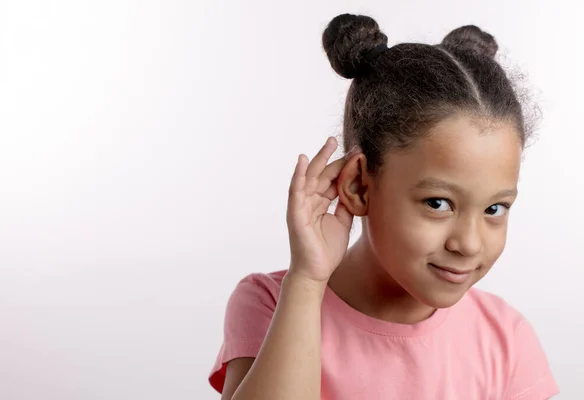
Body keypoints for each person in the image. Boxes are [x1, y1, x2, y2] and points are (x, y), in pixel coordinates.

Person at [208, 13, 559, 400]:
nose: (470, 244)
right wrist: (307, 283)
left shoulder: (506, 340)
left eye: (495, 209)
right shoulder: (272, 304)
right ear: (360, 184)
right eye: (438, 203)